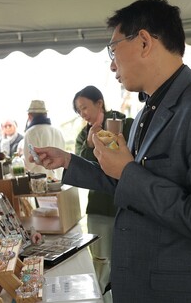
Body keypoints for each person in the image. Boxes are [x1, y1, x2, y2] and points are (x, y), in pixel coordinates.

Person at [30, 0, 191, 302]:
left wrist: (128, 171)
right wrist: (68, 160)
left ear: (144, 42)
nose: (112, 63)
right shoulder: (145, 114)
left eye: (113, 50)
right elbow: (127, 182)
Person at [72, 85, 133, 291]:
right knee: (100, 261)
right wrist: (90, 144)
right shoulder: (84, 136)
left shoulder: (125, 123)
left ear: (99, 103)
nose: (83, 113)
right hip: (98, 208)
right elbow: (82, 171)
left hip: (127, 206)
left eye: (84, 107)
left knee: (128, 261)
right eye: (79, 111)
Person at [22, 100, 65, 179]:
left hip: (40, 182)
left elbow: (29, 163)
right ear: (46, 114)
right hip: (60, 181)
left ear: (29, 116)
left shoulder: (30, 133)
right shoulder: (57, 131)